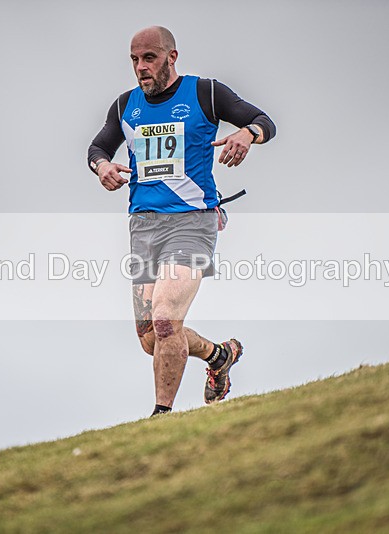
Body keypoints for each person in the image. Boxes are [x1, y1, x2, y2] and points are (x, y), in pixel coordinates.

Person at [87, 26, 276, 417]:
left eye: (150, 58)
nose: (141, 67)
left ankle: (161, 417)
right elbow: (99, 145)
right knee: (151, 339)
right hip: (143, 227)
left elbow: (263, 121)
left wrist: (246, 133)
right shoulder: (125, 106)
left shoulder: (205, 93)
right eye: (135, 60)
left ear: (172, 57)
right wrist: (102, 165)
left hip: (191, 222)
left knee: (166, 318)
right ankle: (219, 356)